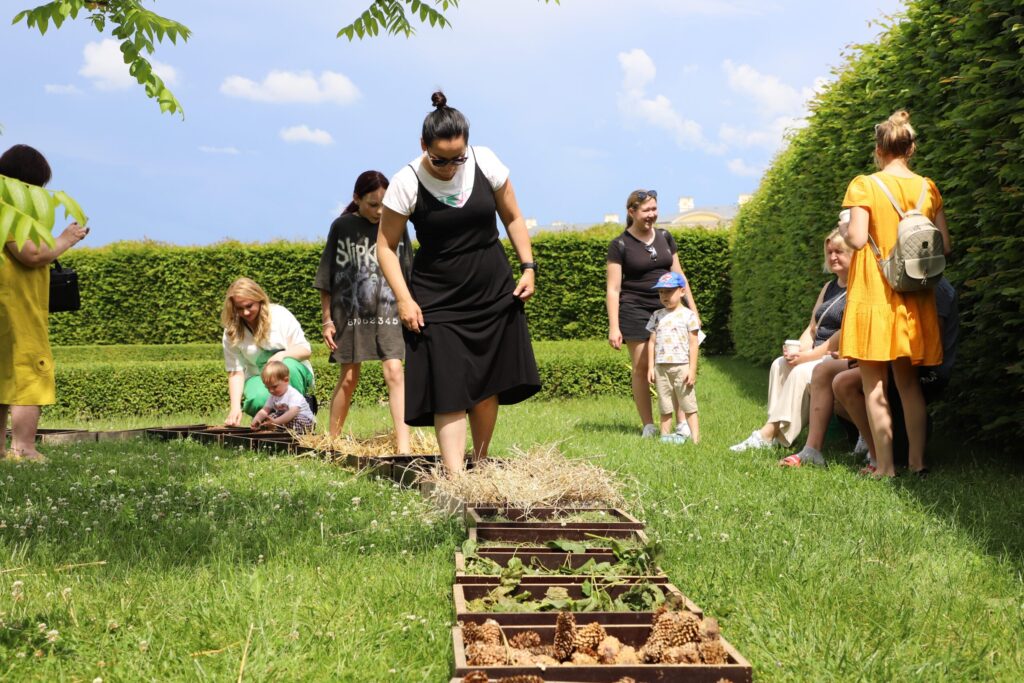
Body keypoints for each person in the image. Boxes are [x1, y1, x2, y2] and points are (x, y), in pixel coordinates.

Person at [376, 91, 541, 472]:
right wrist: (403, 299)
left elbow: (513, 218)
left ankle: (479, 466)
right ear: (423, 146)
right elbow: (384, 246)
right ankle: (455, 479)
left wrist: (528, 266)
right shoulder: (406, 182)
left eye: (457, 158)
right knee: (449, 387)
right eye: (440, 159)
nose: (450, 166)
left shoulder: (486, 162)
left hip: (492, 290)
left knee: (486, 381)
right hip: (437, 297)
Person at [838, 110, 952, 478]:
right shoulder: (928, 188)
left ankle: (885, 467)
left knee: (875, 387)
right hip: (915, 297)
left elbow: (855, 239)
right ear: (911, 147)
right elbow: (944, 246)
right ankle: (918, 463)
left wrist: (849, 224)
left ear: (878, 149)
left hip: (876, 294)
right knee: (908, 385)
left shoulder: (864, 185)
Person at [0, 144, 90, 462]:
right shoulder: (7, 211)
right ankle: (23, 448)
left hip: (8, 310)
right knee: (30, 373)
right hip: (17, 312)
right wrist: (66, 238)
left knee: (4, 376)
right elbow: (33, 254)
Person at [730, 222, 853, 454]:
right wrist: (797, 350)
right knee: (780, 363)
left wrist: (808, 356)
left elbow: (843, 333)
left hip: (836, 355)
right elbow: (813, 327)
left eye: (839, 252)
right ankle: (778, 434)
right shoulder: (828, 287)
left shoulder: (858, 288)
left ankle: (767, 434)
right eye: (829, 252)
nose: (833, 257)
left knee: (800, 371)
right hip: (817, 352)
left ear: (853, 254)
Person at [314, 170, 413, 450]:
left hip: (390, 311)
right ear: (356, 199)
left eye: (384, 203)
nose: (380, 211)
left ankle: (403, 448)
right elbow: (327, 277)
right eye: (372, 204)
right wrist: (326, 320)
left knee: (394, 371)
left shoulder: (398, 225)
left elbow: (408, 271)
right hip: (351, 315)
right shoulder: (341, 227)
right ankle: (331, 443)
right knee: (348, 378)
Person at [832, 275, 958, 474]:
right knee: (843, 380)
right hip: (907, 356)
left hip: (928, 368)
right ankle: (909, 462)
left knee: (865, 384)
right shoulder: (920, 282)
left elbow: (933, 343)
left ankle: (883, 463)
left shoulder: (934, 288)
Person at [606, 189, 701, 438]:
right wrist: (614, 326)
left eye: (654, 209)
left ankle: (681, 423)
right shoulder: (620, 245)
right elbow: (613, 289)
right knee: (641, 367)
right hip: (635, 308)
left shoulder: (665, 237)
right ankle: (648, 425)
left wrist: (693, 311)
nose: (652, 215)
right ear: (632, 212)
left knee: (677, 363)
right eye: (646, 210)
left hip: (670, 309)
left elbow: (680, 276)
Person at [221, 277, 315, 426]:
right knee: (257, 398)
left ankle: (299, 413)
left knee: (287, 365)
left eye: (249, 306)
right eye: (239, 308)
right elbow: (235, 372)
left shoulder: (280, 315)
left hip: (292, 369)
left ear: (259, 299)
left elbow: (305, 349)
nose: (245, 312)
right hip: (258, 377)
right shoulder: (231, 331)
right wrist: (235, 408)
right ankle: (271, 423)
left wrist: (282, 355)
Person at [645, 272, 701, 444]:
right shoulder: (657, 315)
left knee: (688, 403)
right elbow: (652, 342)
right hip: (660, 367)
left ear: (682, 291)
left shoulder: (689, 316)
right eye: (661, 292)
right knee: (664, 404)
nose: (664, 296)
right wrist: (650, 367)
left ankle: (696, 439)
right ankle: (664, 437)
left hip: (681, 366)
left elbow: (693, 344)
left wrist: (692, 370)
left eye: (669, 291)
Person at [250, 361, 317, 433]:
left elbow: (293, 412)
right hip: (287, 419)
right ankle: (276, 431)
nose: (271, 390)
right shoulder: (273, 395)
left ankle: (291, 433)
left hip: (305, 420)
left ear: (286, 380)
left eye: (274, 386)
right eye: (268, 388)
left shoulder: (293, 394)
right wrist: (257, 419)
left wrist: (275, 422)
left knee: (291, 418)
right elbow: (264, 411)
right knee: (270, 417)